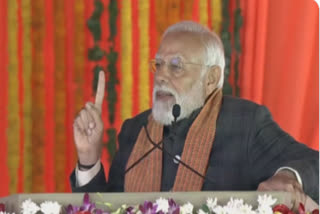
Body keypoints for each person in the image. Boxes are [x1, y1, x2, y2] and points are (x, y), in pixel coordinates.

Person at [70, 21, 319, 206]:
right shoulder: (136, 130)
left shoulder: (246, 124)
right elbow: (105, 209)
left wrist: (286, 176)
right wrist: (88, 159)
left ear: (211, 78)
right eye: (158, 64)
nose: (162, 75)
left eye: (176, 66)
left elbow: (314, 163)